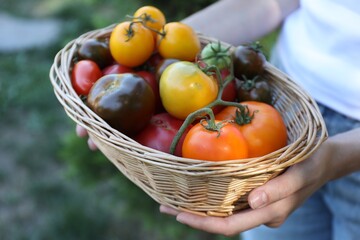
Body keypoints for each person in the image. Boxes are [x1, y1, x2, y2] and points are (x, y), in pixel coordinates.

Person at [77, 0, 360, 239]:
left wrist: (335, 157)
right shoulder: (226, 103)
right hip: (281, 104)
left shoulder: (217, 112)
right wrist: (157, 46)